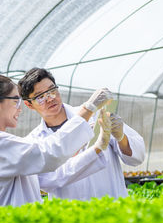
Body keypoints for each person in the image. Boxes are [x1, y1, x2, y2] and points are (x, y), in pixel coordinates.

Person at [0, 74, 112, 209]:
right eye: (16, 101)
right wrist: (88, 109)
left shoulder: (5, 143)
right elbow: (49, 152)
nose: (20, 109)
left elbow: (57, 175)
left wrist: (98, 147)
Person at [18, 68, 145, 200]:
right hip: (73, 216)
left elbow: (137, 157)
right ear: (29, 104)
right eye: (40, 97)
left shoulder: (96, 115)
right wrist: (96, 149)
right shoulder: (34, 142)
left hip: (114, 208)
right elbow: (47, 182)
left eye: (52, 90)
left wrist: (121, 137)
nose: (50, 98)